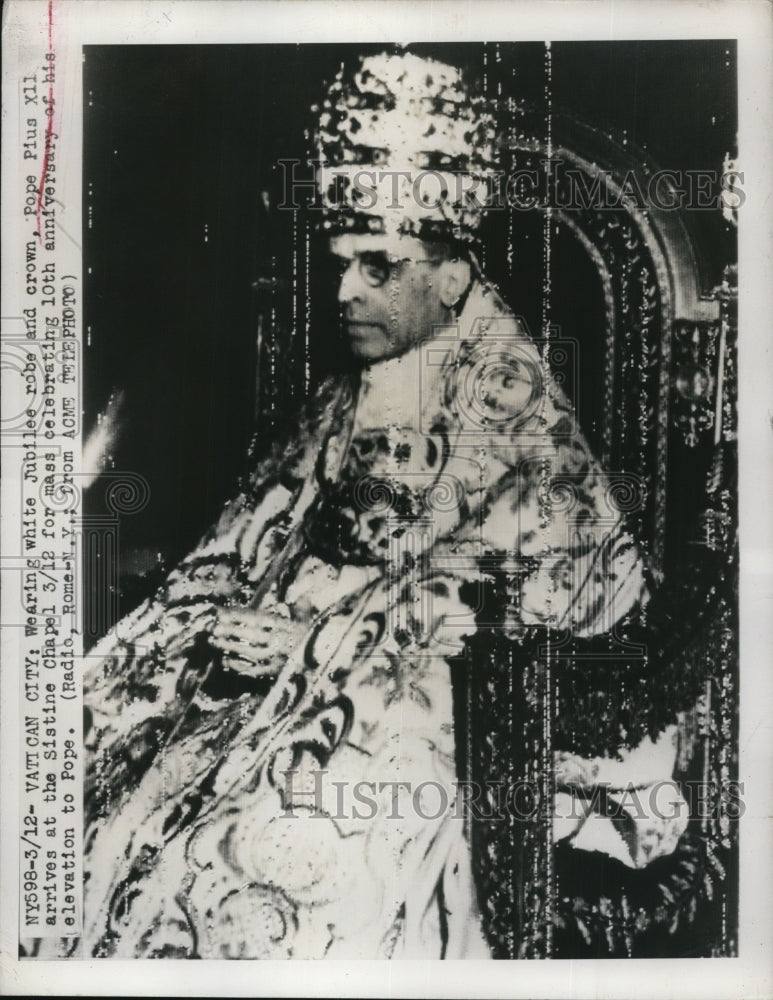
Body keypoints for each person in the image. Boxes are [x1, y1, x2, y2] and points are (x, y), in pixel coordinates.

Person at [81, 50, 688, 959]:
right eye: (337, 264)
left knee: (259, 852)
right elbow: (257, 529)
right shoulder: (349, 385)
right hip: (296, 669)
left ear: (449, 277)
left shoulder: (515, 403)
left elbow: (532, 592)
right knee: (97, 747)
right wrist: (233, 612)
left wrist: (317, 643)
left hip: (443, 704)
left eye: (376, 266)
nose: (342, 293)